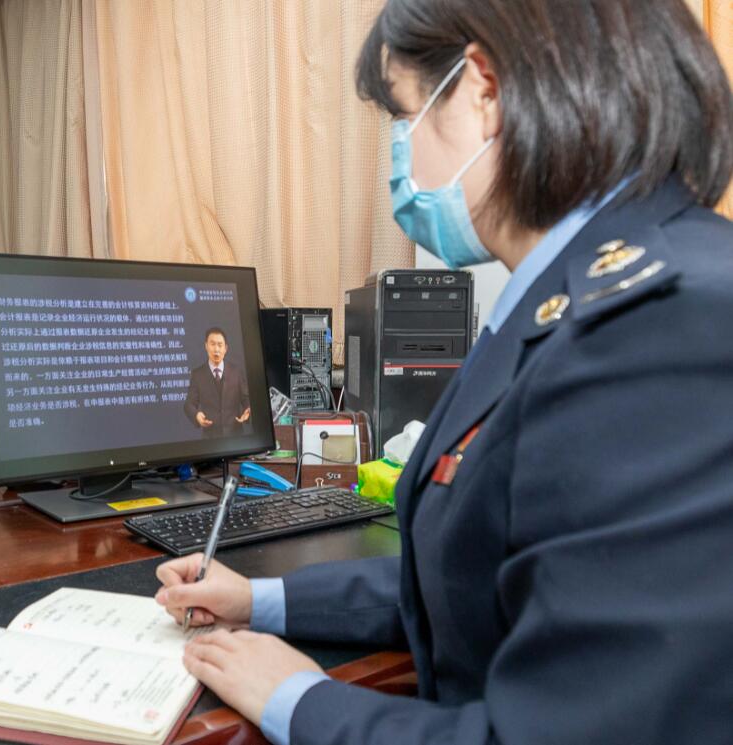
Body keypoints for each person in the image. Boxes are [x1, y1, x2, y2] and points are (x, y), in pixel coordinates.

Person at [156, 1, 733, 744]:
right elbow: (482, 574)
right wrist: (260, 599)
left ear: (483, 91)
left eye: (404, 117)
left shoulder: (660, 325)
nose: (404, 160)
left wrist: (299, 698)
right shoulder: (569, 296)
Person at [183, 326, 251, 437]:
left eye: (220, 345)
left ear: (225, 348)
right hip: (210, 438)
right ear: (206, 346)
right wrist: (196, 415)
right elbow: (189, 404)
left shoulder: (236, 372)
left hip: (236, 437)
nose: (216, 349)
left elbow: (246, 398)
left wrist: (248, 410)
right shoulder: (198, 374)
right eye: (212, 344)